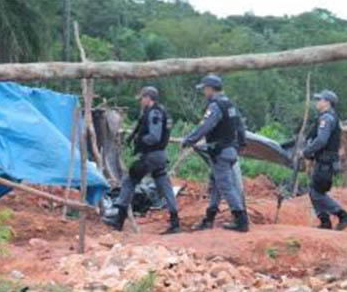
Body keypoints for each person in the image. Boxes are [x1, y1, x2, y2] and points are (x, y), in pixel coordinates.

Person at [103, 86, 181, 234]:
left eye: (142, 98)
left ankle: (118, 218)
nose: (141, 101)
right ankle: (175, 221)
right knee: (165, 186)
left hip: (151, 155)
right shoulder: (161, 111)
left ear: (148, 98)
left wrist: (140, 140)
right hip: (159, 156)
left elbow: (154, 136)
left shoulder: (154, 113)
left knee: (129, 181)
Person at [180, 74, 249, 232]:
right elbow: (240, 126)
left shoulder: (215, 106)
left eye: (204, 89)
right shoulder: (230, 104)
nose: (204, 92)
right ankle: (209, 218)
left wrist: (189, 140)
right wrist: (242, 143)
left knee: (226, 187)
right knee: (217, 184)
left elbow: (206, 126)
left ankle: (241, 220)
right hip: (230, 151)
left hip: (220, 152)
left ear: (210, 89)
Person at [302, 89, 347, 230]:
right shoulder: (328, 117)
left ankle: (343, 215)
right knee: (314, 191)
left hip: (325, 162)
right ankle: (325, 221)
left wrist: (308, 150)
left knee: (317, 193)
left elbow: (321, 140)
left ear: (327, 102)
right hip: (324, 161)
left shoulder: (327, 119)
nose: (317, 102)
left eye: (320, 100)